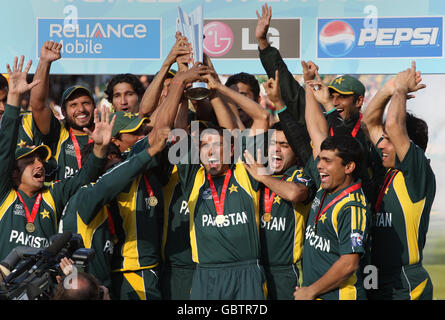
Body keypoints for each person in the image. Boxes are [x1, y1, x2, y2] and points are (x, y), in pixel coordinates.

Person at [0, 55, 112, 261]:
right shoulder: (4, 194)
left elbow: (84, 177)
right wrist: (13, 99)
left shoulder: (53, 193)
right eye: (30, 161)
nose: (39, 165)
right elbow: (5, 149)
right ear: (14, 173)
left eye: (40, 160)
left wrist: (99, 150)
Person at [60, 125, 170, 297]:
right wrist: (152, 150)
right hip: (85, 289)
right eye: (113, 166)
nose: (119, 176)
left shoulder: (101, 203)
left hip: (96, 286)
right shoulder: (85, 197)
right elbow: (110, 181)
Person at [292, 69, 370, 300]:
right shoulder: (328, 184)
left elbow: (348, 263)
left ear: (349, 167)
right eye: (320, 160)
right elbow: (316, 131)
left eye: (327, 161)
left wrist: (310, 291)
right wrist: (308, 87)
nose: (319, 166)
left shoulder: (352, 206)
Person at [362, 62, 435, 300]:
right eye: (382, 139)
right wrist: (389, 88)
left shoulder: (417, 172)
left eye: (389, 140)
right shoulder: (386, 170)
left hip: (405, 281)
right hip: (373, 274)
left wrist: (401, 91)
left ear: (409, 145)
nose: (381, 145)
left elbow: (393, 125)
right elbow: (369, 123)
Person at [27, 41, 97, 180]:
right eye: (73, 105)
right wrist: (45, 62)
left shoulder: (105, 134)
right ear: (63, 112)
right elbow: (37, 104)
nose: (81, 109)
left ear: (94, 106)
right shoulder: (58, 132)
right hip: (64, 201)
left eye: (86, 103)